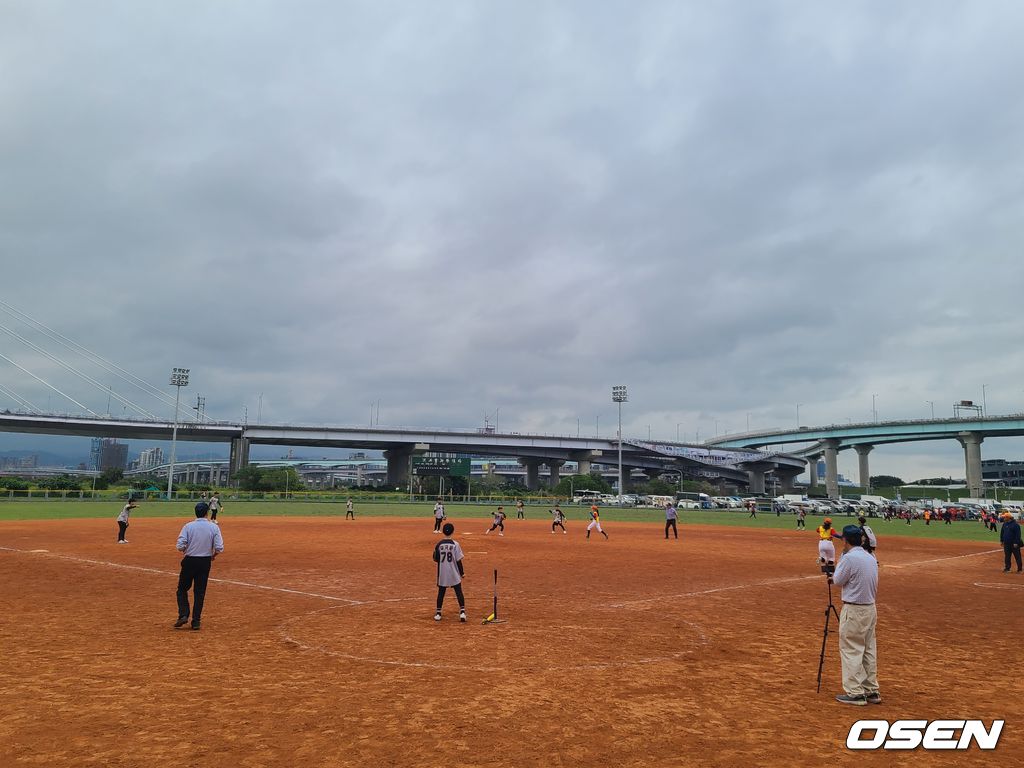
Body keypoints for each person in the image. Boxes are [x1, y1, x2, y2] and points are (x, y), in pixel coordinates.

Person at [831, 525, 881, 706]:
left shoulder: (849, 558)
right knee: (868, 649)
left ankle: (855, 692)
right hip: (870, 608)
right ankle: (871, 690)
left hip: (854, 609)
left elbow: (837, 581)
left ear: (845, 540)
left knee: (851, 649)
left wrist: (840, 561)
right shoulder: (870, 557)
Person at [174, 501, 225, 631]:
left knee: (182, 589)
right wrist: (213, 555)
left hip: (190, 560)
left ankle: (184, 614)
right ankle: (196, 621)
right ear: (207, 513)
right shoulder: (213, 527)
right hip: (205, 561)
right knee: (199, 592)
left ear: (195, 512)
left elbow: (180, 545)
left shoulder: (188, 526)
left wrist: (186, 549)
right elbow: (219, 547)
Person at [433, 522, 466, 622]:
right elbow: (458, 560)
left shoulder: (438, 544)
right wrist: (462, 573)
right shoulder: (455, 544)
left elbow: (435, 558)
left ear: (443, 532)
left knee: (441, 592)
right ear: (453, 532)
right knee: (458, 591)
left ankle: (438, 613)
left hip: (442, 572)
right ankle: (462, 612)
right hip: (454, 572)